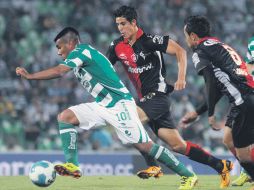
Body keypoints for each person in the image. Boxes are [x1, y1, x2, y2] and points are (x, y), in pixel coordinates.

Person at [16, 27, 198, 190]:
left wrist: (30, 76)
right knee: (65, 117)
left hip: (119, 104)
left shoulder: (82, 51)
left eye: (60, 47)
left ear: (71, 43)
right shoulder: (81, 54)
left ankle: (188, 176)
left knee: (145, 145)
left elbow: (59, 72)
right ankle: (73, 165)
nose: (58, 52)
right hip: (102, 104)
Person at [107, 5, 232, 188]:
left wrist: (181, 78)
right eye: (117, 24)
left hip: (158, 97)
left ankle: (154, 166)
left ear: (134, 23)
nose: (120, 28)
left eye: (123, 24)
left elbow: (180, 51)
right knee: (178, 146)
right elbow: (105, 68)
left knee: (128, 122)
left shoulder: (150, 40)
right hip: (144, 101)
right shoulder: (117, 46)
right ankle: (221, 165)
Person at [182, 15, 254, 186]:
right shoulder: (218, 45)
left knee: (243, 154)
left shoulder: (200, 51)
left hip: (243, 100)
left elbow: (211, 82)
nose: (186, 40)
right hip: (245, 96)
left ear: (193, 36)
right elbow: (222, 86)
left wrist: (211, 113)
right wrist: (198, 112)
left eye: (185, 36)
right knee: (228, 139)